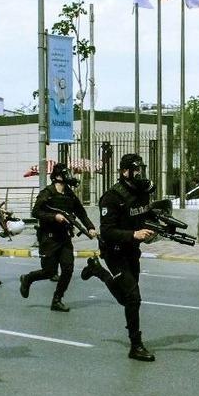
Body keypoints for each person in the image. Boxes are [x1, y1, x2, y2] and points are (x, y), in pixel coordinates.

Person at [80, 153, 156, 361]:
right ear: (125, 172)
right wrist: (134, 234)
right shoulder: (112, 197)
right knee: (133, 298)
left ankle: (98, 271)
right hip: (114, 251)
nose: (140, 173)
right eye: (136, 169)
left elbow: (146, 216)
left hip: (132, 250)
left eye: (142, 168)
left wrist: (153, 230)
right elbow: (107, 231)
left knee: (126, 299)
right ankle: (136, 345)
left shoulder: (142, 193)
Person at [19, 163, 96, 312]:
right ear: (58, 176)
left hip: (64, 237)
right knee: (49, 271)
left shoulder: (69, 194)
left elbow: (81, 213)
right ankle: (28, 278)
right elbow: (35, 212)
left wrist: (90, 227)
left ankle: (57, 299)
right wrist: (54, 216)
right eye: (66, 173)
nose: (69, 175)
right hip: (49, 238)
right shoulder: (47, 192)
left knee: (68, 269)